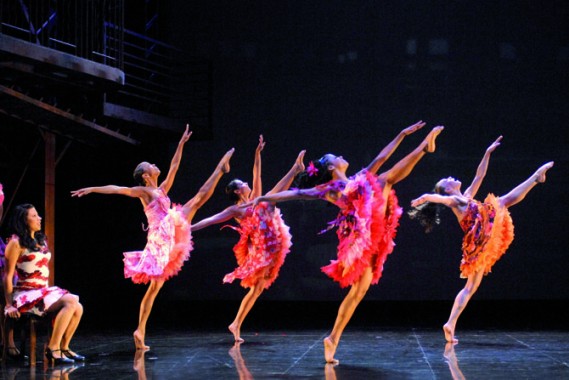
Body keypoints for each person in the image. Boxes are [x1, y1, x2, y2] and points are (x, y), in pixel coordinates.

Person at [253, 121, 444, 363]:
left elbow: (381, 158)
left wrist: (402, 134)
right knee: (386, 180)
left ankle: (332, 339)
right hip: (361, 236)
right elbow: (297, 193)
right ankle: (424, 148)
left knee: (360, 290)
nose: (342, 155)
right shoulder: (331, 188)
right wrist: (263, 197)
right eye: (337, 155)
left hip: (377, 225)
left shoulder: (358, 178)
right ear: (332, 166)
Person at [71, 125, 234, 350]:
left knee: (197, 199)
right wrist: (92, 189)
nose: (157, 165)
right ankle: (140, 330)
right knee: (154, 288)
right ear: (146, 176)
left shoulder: (162, 189)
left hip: (170, 228)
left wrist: (181, 144)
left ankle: (140, 331)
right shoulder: (145, 192)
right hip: (159, 238)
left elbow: (175, 166)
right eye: (152, 165)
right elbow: (118, 189)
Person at [409, 136, 554, 343]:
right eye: (447, 180)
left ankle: (450, 324)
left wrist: (487, 152)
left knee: (471, 287)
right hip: (479, 241)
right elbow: (443, 199)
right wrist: (426, 197)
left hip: (483, 235)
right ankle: (535, 178)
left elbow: (479, 175)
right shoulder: (456, 201)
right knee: (503, 202)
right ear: (448, 189)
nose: (450, 177)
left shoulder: (466, 195)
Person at [192, 135, 305, 342]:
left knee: (257, 289)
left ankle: (235, 324)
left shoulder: (254, 200)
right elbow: (211, 220)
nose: (248, 184)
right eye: (243, 184)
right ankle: (295, 169)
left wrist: (257, 154)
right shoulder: (236, 209)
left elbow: (257, 176)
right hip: (261, 249)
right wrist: (189, 228)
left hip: (270, 240)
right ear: (237, 190)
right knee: (270, 198)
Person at [3, 204, 84, 365]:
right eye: (34, 216)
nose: (39, 218)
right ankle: (53, 348)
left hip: (42, 291)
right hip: (25, 295)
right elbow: (8, 275)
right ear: (23, 220)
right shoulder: (15, 243)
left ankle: (63, 347)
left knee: (78, 306)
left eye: (37, 215)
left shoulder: (40, 240)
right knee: (70, 301)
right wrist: (8, 304)